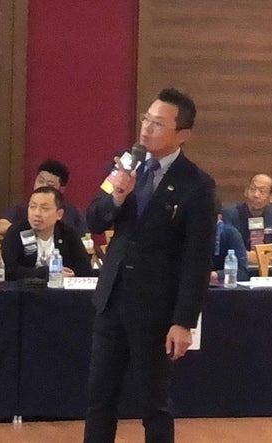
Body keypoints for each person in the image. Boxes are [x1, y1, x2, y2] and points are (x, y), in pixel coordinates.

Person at [83, 87, 216, 443]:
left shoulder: (197, 185)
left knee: (154, 405)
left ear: (182, 134)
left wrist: (184, 321)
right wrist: (117, 195)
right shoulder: (126, 166)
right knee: (99, 401)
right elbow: (94, 218)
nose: (146, 129)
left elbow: (197, 259)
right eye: (146, 119)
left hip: (156, 310)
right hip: (112, 301)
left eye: (158, 124)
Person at [1, 186, 92, 280]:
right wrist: (46, 273)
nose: (37, 213)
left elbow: (85, 269)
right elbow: (9, 271)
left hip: (60, 288)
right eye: (32, 207)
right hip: (25, 288)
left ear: (59, 214)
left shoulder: (68, 233)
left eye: (44, 208)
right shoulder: (16, 232)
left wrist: (70, 274)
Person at [0, 159, 88, 237]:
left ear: (61, 189)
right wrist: (27, 230)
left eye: (50, 185)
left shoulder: (73, 213)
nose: (43, 186)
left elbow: (86, 239)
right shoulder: (22, 209)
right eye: (40, 181)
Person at [222, 173, 272, 263]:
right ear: (246, 191)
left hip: (270, 268)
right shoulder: (230, 214)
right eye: (252, 189)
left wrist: (259, 256)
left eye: (262, 191)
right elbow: (227, 249)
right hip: (238, 267)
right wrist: (250, 256)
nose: (256, 195)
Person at [210, 202, 249, 285]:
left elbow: (242, 272)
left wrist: (217, 275)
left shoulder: (231, 234)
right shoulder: (187, 234)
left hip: (223, 286)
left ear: (219, 218)